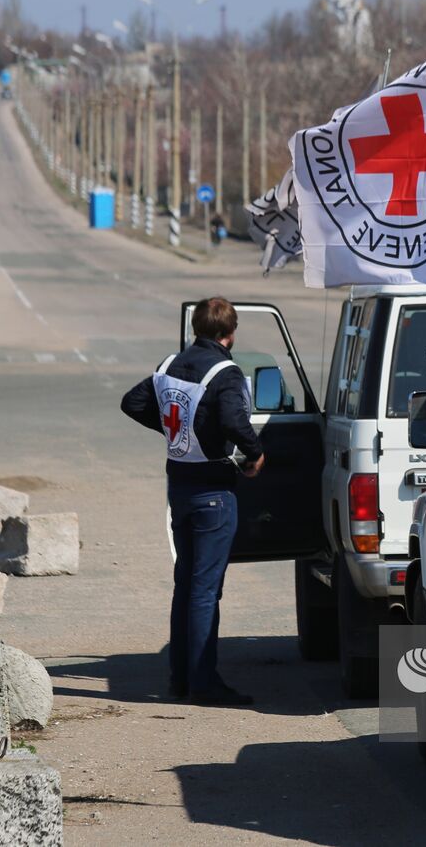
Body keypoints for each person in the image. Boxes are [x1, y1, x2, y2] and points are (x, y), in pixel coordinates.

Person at [120, 297, 265, 707]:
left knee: (184, 586)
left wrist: (175, 429)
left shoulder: (169, 365)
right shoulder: (226, 372)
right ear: (230, 334)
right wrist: (254, 454)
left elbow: (132, 402)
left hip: (178, 487)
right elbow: (235, 421)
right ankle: (204, 683)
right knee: (205, 591)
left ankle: (180, 678)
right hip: (213, 492)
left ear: (196, 329)